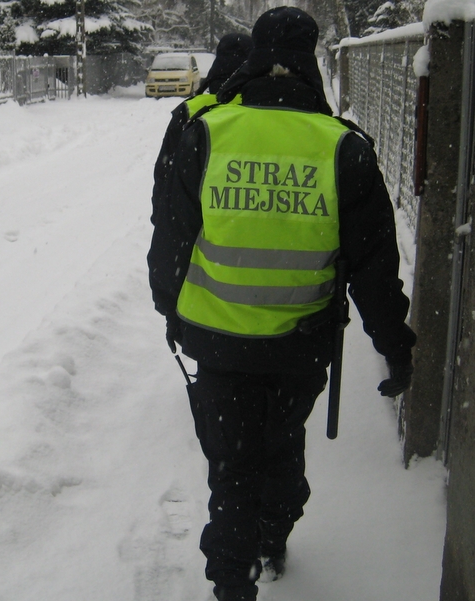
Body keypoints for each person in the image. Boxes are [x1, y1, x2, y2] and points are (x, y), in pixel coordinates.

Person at [146, 7, 416, 601]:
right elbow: (374, 269)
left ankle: (233, 577)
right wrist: (396, 348)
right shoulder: (344, 148)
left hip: (215, 342)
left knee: (232, 469)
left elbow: (171, 238)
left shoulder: (207, 133)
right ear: (311, 59)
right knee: (278, 448)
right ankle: (270, 534)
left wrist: (170, 309)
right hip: (300, 345)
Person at [150, 33, 253, 226]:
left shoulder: (189, 111)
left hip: (196, 236)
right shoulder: (259, 109)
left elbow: (165, 175)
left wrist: (161, 219)